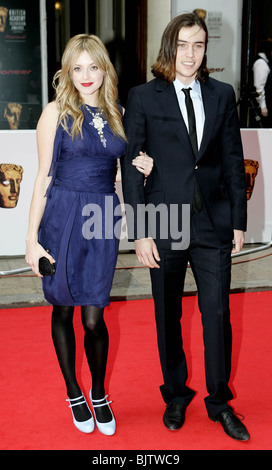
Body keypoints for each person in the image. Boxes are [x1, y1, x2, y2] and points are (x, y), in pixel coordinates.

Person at [121, 13, 250, 441]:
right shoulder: (143, 97)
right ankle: (175, 394)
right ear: (168, 48)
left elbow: (233, 160)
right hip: (164, 221)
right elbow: (131, 164)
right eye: (182, 45)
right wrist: (139, 231)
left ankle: (219, 401)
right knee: (167, 315)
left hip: (213, 223)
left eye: (197, 45)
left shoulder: (222, 95)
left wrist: (238, 221)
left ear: (205, 49)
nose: (190, 54)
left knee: (216, 313)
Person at [25, 34, 153, 436]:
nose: (85, 75)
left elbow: (121, 167)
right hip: (62, 216)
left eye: (93, 67)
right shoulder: (54, 113)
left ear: (104, 70)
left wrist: (144, 166)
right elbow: (43, 176)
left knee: (95, 316)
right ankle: (73, 391)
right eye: (77, 68)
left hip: (101, 217)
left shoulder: (119, 112)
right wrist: (31, 240)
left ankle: (99, 391)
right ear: (67, 71)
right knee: (63, 307)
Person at [253, 43, 272, 127]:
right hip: (263, 105)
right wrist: (263, 106)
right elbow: (259, 87)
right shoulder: (261, 63)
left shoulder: (265, 62)